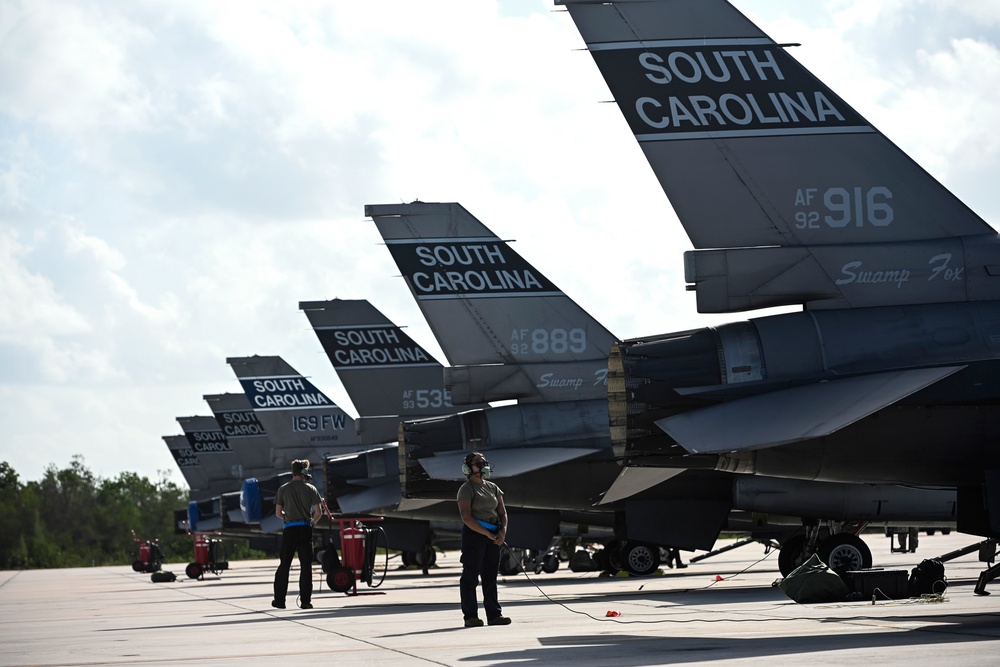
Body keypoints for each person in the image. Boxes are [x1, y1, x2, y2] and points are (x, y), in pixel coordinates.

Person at [456, 451, 511, 627]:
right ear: (468, 468)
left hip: (494, 535)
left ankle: (494, 615)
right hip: (475, 535)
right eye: (478, 463)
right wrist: (486, 534)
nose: (482, 466)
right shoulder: (466, 489)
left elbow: (502, 512)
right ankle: (470, 616)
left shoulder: (493, 487)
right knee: (470, 576)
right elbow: (467, 517)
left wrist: (502, 532)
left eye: (484, 462)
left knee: (490, 576)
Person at [271, 459, 322, 610]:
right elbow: (318, 512)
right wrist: (312, 522)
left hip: (290, 529)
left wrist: (287, 517)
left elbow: (278, 513)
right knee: (305, 566)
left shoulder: (283, 489)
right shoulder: (311, 488)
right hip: (305, 528)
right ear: (304, 472)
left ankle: (280, 601)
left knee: (284, 565)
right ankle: (306, 601)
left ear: (293, 471)